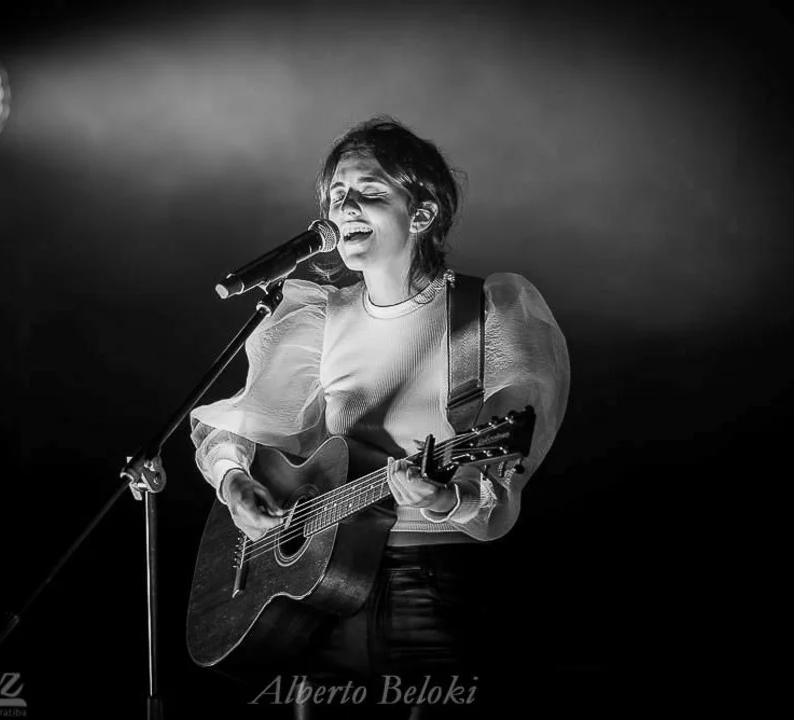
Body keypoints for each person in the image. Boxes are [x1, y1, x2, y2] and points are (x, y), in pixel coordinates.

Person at [189, 117, 570, 717]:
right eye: (337, 194)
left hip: (432, 584)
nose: (345, 207)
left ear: (422, 214)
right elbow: (241, 422)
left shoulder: (484, 312)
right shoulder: (320, 314)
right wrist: (235, 482)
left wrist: (443, 497)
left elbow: (499, 487)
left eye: (369, 191)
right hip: (324, 587)